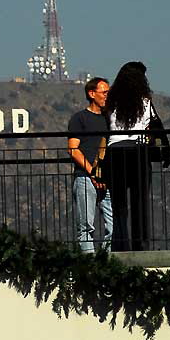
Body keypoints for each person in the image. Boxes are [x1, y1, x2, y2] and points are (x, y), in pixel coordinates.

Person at [106, 61, 155, 251]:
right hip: (138, 151)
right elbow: (149, 126)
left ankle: (120, 244)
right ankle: (140, 244)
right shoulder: (145, 100)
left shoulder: (112, 99)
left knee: (118, 204)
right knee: (139, 201)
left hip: (115, 151)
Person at [67, 77, 113, 253]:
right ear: (92, 94)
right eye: (104, 93)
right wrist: (93, 172)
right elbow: (73, 149)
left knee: (114, 225)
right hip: (85, 178)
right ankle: (90, 267)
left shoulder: (111, 120)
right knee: (86, 227)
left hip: (107, 179)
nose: (107, 96)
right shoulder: (80, 119)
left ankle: (107, 263)